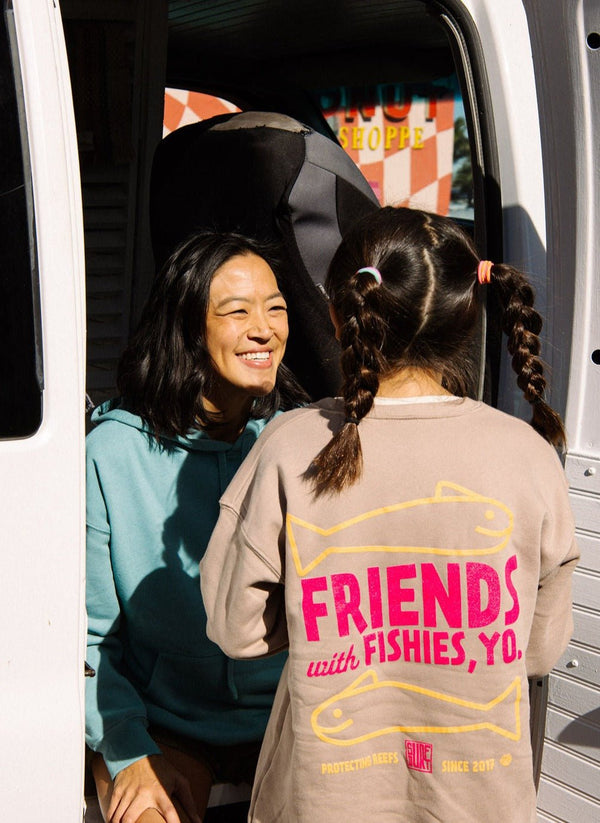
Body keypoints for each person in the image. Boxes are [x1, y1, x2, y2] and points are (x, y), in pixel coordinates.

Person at [200, 207, 579, 823]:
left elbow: (236, 630)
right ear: (470, 315)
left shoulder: (290, 445)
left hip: (325, 801)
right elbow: (537, 652)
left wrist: (327, 630)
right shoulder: (529, 456)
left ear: (338, 312)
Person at [85, 230, 307, 823]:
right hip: (166, 729)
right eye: (237, 311)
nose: (265, 328)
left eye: (276, 307)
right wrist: (127, 751)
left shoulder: (298, 444)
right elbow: (89, 641)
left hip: (289, 726)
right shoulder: (112, 453)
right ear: (187, 328)